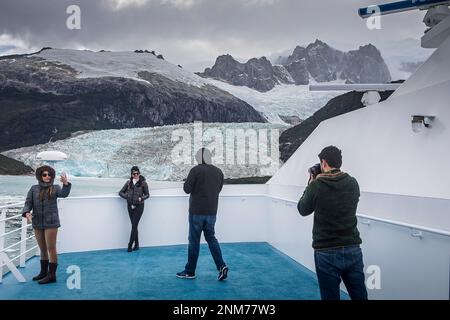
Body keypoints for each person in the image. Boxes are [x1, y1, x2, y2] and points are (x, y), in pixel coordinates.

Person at [297, 146, 368, 300]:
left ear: (323, 162)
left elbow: (302, 209)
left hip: (326, 251)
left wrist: (310, 182)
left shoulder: (317, 185)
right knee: (360, 296)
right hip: (352, 248)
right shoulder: (352, 183)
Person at [176, 148, 228, 281]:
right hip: (212, 212)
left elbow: (187, 189)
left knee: (194, 241)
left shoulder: (196, 170)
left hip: (196, 212)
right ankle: (221, 266)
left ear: (200, 158)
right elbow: (219, 189)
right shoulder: (218, 172)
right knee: (211, 238)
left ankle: (190, 271)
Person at [21, 165, 71, 284]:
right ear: (40, 176)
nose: (47, 176)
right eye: (44, 174)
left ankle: (52, 275)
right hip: (37, 221)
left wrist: (66, 183)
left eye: (49, 174)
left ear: (52, 176)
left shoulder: (55, 188)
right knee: (42, 249)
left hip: (51, 222)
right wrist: (27, 212)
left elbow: (64, 194)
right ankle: (43, 272)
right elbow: (28, 202)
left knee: (51, 248)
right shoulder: (34, 188)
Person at [119, 166, 149, 252]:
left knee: (134, 225)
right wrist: (127, 197)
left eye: (137, 173)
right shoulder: (128, 183)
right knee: (134, 226)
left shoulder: (143, 183)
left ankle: (130, 245)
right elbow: (120, 192)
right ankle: (137, 245)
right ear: (131, 174)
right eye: (134, 174)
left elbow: (147, 195)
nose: (136, 175)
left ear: (139, 173)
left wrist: (141, 198)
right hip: (130, 206)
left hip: (139, 206)